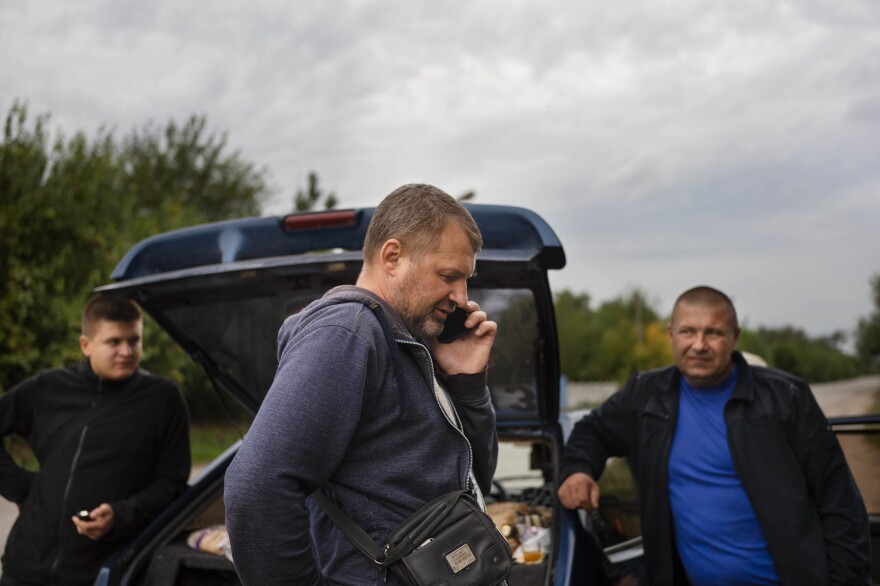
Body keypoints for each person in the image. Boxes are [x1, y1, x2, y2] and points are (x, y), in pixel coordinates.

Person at [225, 184, 499, 584]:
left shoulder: (410, 340)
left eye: (466, 279)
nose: (461, 296)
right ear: (393, 257)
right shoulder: (347, 333)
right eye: (448, 276)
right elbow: (256, 488)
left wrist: (467, 385)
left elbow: (475, 482)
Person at [557, 286, 871, 585]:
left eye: (714, 332)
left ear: (735, 337)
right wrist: (578, 470)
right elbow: (592, 429)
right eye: (687, 331)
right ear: (671, 335)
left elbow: (840, 504)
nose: (699, 344)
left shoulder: (785, 398)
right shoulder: (646, 395)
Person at [0, 294, 191, 586]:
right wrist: (21, 487)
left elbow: (172, 481)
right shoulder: (48, 387)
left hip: (100, 572)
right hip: (24, 569)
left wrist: (121, 514)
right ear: (85, 345)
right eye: (114, 342)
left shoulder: (163, 398)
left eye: (134, 340)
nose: (127, 351)